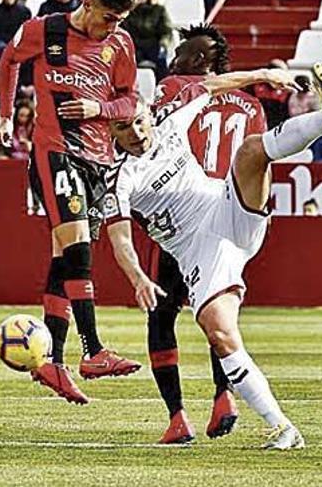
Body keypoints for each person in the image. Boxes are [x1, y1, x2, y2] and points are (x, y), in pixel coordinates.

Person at [108, 62, 322, 450]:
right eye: (124, 128)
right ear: (111, 131)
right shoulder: (120, 176)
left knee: (250, 151)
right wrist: (138, 276)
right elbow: (120, 236)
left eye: (139, 121)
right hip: (198, 251)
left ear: (148, 113)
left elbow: (213, 85)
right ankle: (283, 428)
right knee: (221, 333)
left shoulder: (171, 119)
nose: (137, 133)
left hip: (227, 208)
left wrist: (265, 75)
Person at [111, 24, 268, 445]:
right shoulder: (252, 107)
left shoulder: (174, 87)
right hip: (232, 216)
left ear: (199, 60)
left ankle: (178, 417)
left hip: (184, 216)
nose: (174, 56)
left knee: (163, 316)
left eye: (182, 50)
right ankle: (224, 396)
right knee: (219, 313)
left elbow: (149, 134)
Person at [0, 0, 142, 405]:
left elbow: (131, 99)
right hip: (54, 151)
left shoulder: (121, 43)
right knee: (77, 249)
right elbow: (9, 59)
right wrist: (6, 114)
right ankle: (92, 350)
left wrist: (100, 105)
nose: (112, 27)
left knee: (64, 259)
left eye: (119, 20)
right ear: (88, 2)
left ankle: (53, 361)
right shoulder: (46, 29)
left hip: (99, 160)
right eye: (108, 18)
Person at [120, 0, 171, 80]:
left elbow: (166, 32)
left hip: (152, 45)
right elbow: (122, 30)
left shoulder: (158, 10)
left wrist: (163, 45)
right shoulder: (127, 12)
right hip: (133, 45)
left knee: (161, 59)